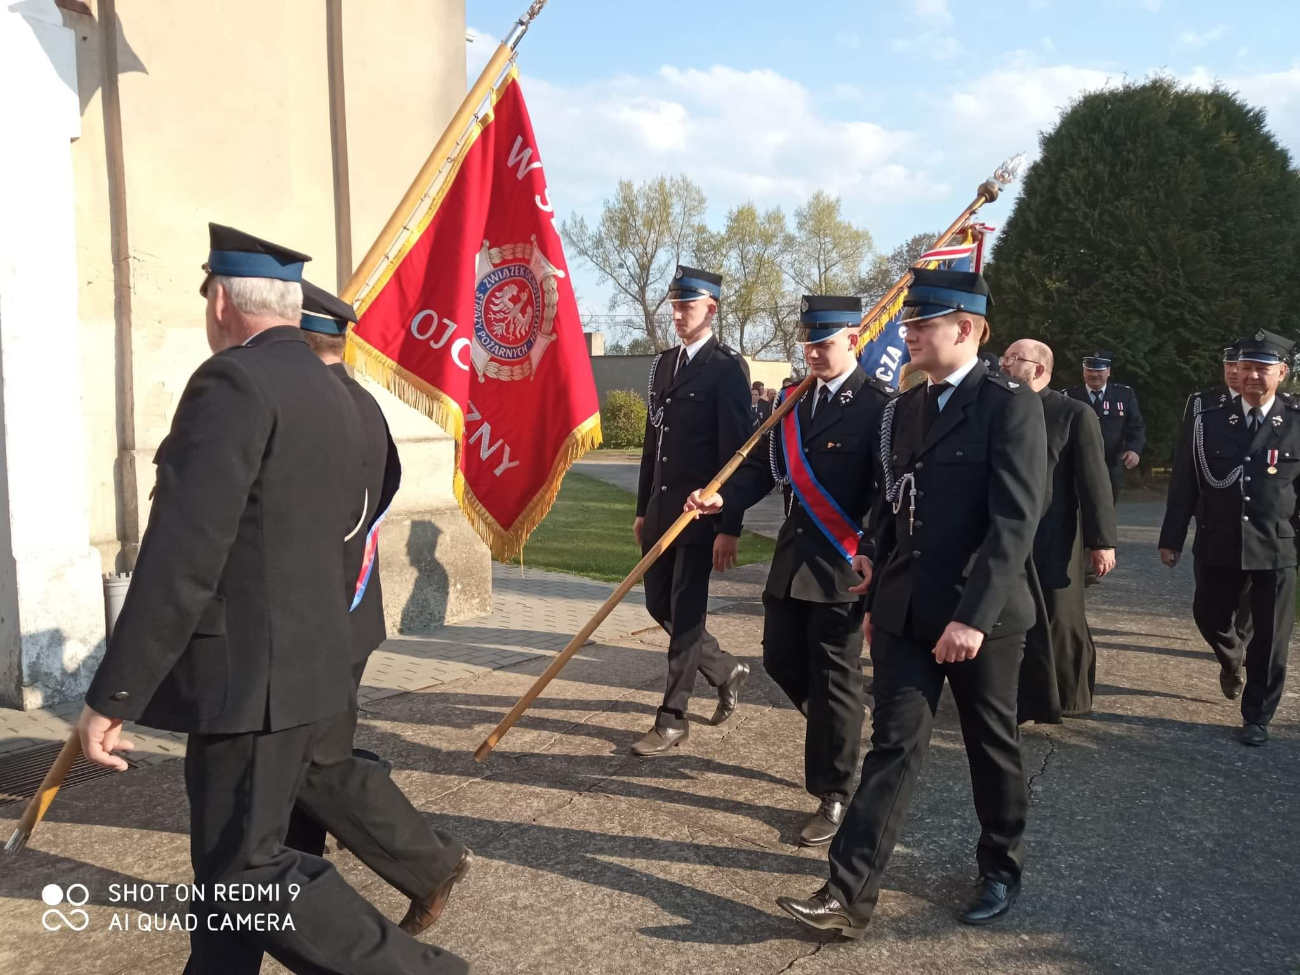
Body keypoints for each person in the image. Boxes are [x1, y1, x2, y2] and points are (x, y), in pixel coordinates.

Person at [76, 225, 467, 974]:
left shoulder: (232, 382)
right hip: (309, 667)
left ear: (221, 300)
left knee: (243, 874)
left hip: (247, 682)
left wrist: (115, 691)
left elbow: (182, 556)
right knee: (243, 867)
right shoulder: (336, 394)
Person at [776, 268, 1046, 938]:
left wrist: (972, 618)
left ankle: (1000, 865)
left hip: (981, 616)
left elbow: (1015, 521)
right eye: (910, 323)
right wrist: (870, 547)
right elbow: (895, 497)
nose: (910, 333)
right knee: (893, 746)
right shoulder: (905, 408)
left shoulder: (1008, 403)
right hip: (905, 609)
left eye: (923, 323)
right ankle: (848, 893)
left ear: (968, 328)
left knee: (991, 745)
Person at [283, 281, 472, 936]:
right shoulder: (361, 404)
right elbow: (384, 488)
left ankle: (428, 862)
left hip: (311, 620)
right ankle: (298, 881)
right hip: (349, 611)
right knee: (307, 759)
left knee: (313, 761)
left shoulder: (305, 407)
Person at [684, 295, 892, 847]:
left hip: (844, 566)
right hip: (793, 560)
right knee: (778, 658)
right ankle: (839, 727)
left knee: (834, 676)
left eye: (824, 343)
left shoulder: (879, 407)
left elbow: (886, 493)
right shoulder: (794, 404)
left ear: (853, 340)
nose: (814, 352)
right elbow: (760, 471)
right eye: (808, 343)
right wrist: (721, 501)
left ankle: (835, 790)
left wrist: (870, 546)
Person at [632, 265, 753, 756]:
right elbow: (651, 443)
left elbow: (738, 454)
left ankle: (672, 717)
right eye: (676, 305)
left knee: (685, 613)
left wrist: (730, 525)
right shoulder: (663, 364)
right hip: (663, 511)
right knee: (657, 603)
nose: (679, 314)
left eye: (689, 305)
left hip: (700, 516)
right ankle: (725, 669)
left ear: (711, 308)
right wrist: (643, 508)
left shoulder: (727, 368)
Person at [1158, 329, 1298, 747]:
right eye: (1246, 367)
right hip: (1219, 540)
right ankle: (1232, 656)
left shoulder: (1295, 422)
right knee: (1210, 615)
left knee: (1272, 641)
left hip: (1277, 544)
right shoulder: (1209, 422)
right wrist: (1172, 537)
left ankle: (1257, 716)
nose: (1253, 375)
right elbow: (1184, 484)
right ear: (1236, 370)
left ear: (1282, 373)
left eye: (1263, 368)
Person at [1001, 339, 1117, 722]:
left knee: (1059, 619)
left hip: (1056, 533)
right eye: (1005, 357)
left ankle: (1068, 695)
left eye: (1015, 359)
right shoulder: (998, 406)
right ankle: (1019, 699)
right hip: (1006, 530)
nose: (1005, 364)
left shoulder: (1073, 413)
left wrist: (1102, 542)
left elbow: (1094, 481)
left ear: (1038, 369)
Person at [1065, 351, 1146, 503]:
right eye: (1089, 370)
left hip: (1110, 464)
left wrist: (1134, 449)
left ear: (1108, 371)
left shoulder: (1124, 395)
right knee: (1074, 509)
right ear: (1083, 372)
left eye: (1099, 370)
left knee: (1106, 509)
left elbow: (1136, 426)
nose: (1094, 374)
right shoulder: (1069, 396)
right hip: (1076, 465)